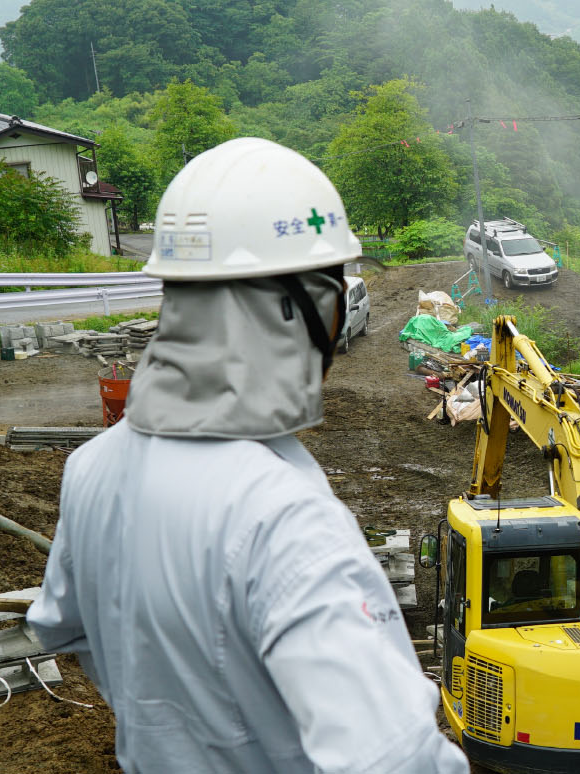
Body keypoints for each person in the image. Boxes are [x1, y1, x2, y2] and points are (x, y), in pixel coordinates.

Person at [27, 138, 468, 774]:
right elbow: (394, 760)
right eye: (334, 294)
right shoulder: (287, 522)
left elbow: (63, 627)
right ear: (303, 308)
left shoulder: (91, 467)